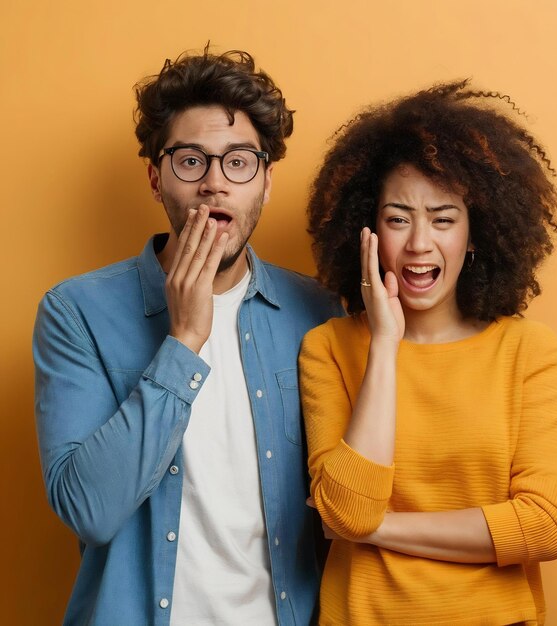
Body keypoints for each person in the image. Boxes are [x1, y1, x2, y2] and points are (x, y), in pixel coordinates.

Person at [33, 45, 343, 626]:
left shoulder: (319, 312)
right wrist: (183, 341)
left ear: (266, 182)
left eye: (239, 162)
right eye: (190, 161)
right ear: (156, 178)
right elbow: (90, 511)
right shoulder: (75, 313)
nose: (214, 185)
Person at [299, 80, 557, 625]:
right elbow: (350, 506)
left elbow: (549, 525)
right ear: (369, 230)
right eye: (398, 218)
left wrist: (377, 529)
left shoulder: (528, 351)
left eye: (444, 218)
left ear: (474, 235)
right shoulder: (329, 348)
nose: (419, 243)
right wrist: (384, 343)